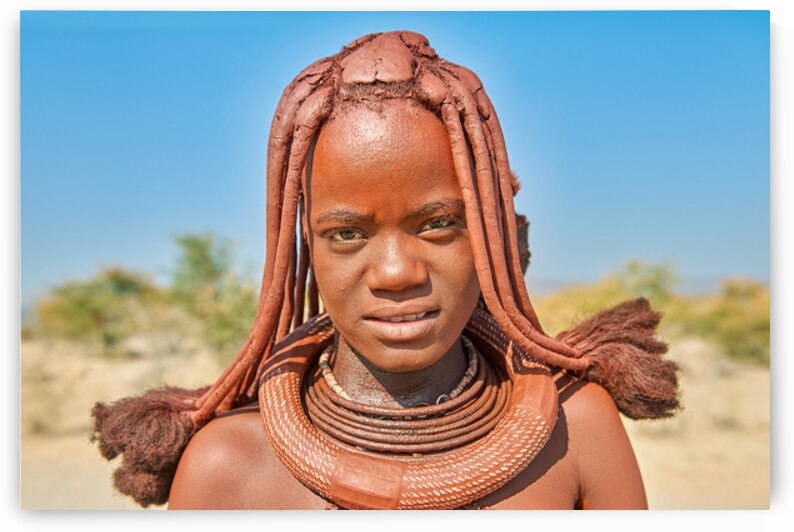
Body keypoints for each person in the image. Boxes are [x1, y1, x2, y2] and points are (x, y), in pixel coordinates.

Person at [92, 31, 679, 510]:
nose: (396, 272)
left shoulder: (576, 432)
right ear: (306, 255)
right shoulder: (230, 468)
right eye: (346, 234)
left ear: (501, 240)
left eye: (438, 224)